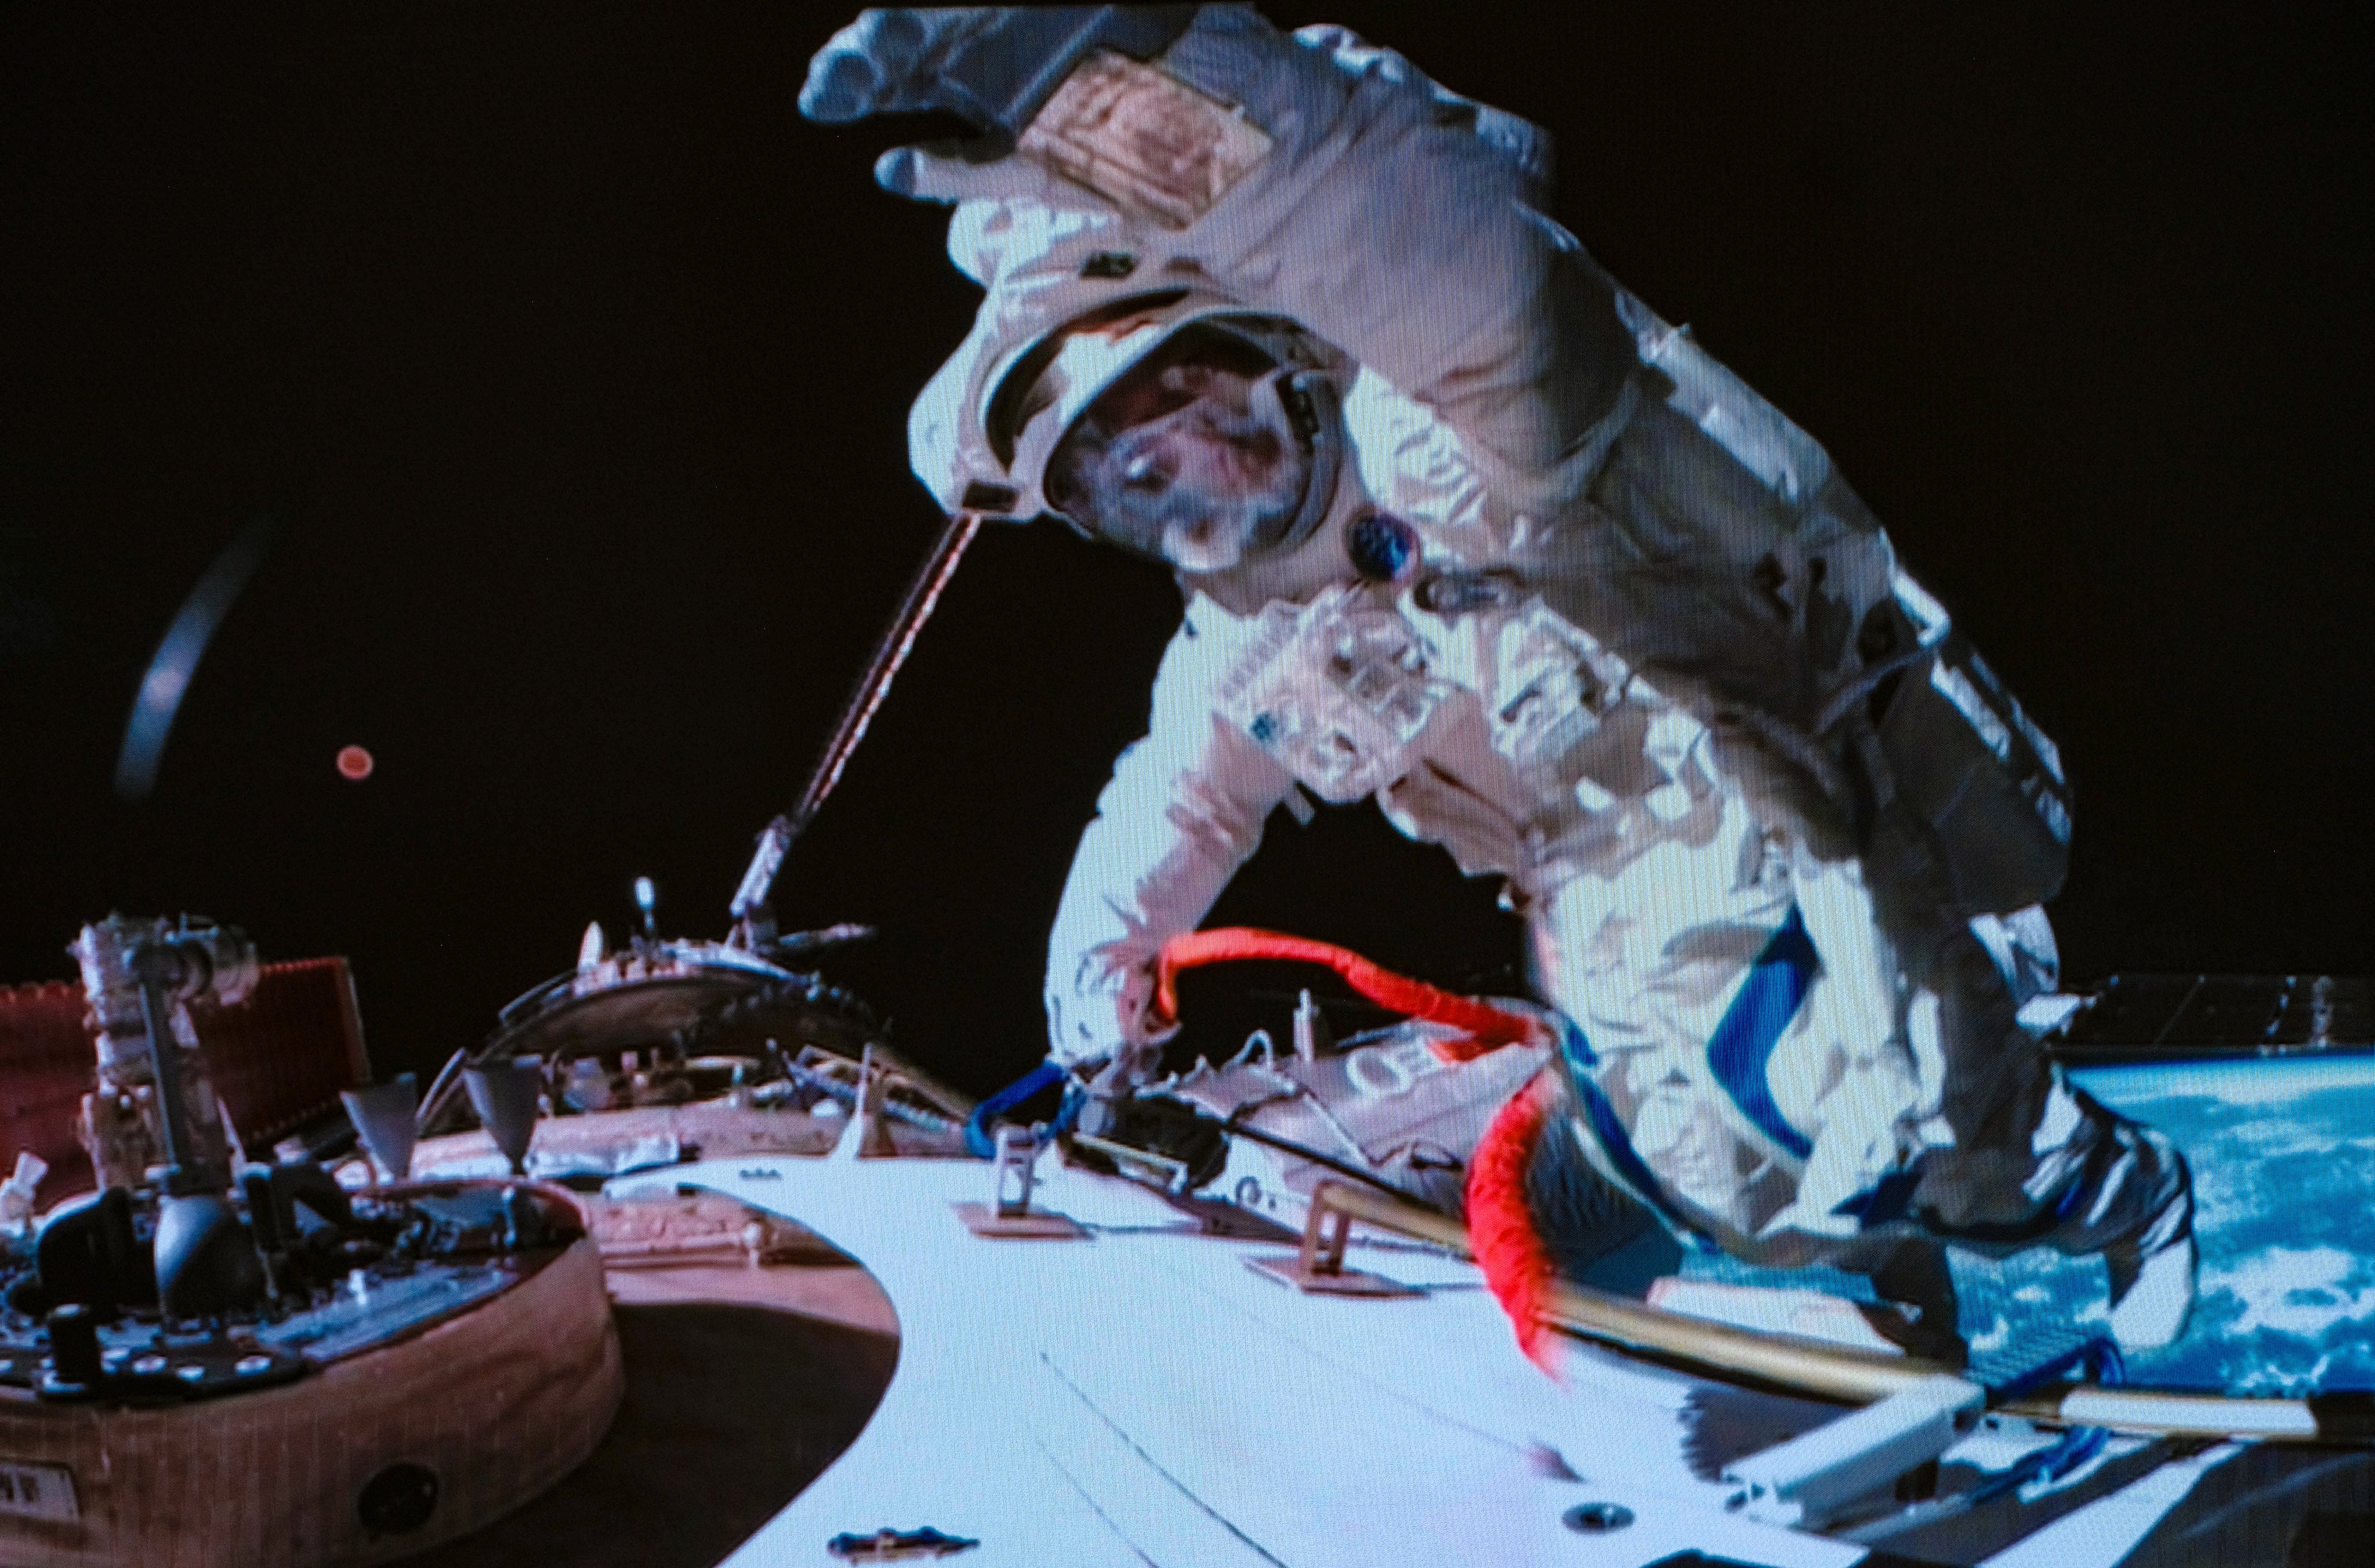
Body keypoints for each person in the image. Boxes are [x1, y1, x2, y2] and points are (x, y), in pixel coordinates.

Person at [799, 5, 2195, 1356]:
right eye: (1136, 492)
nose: (1196, 506)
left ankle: (2109, 1191)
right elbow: (1178, 799)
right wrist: (1097, 984)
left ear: (1284, 358)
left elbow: (1395, 224)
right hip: (1641, 901)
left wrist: (1110, 83)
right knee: (1739, 1171)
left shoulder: (1464, 402)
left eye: (1201, 429)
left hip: (1814, 783)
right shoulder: (1246, 630)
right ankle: (1906, 1323)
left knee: (1867, 1106)